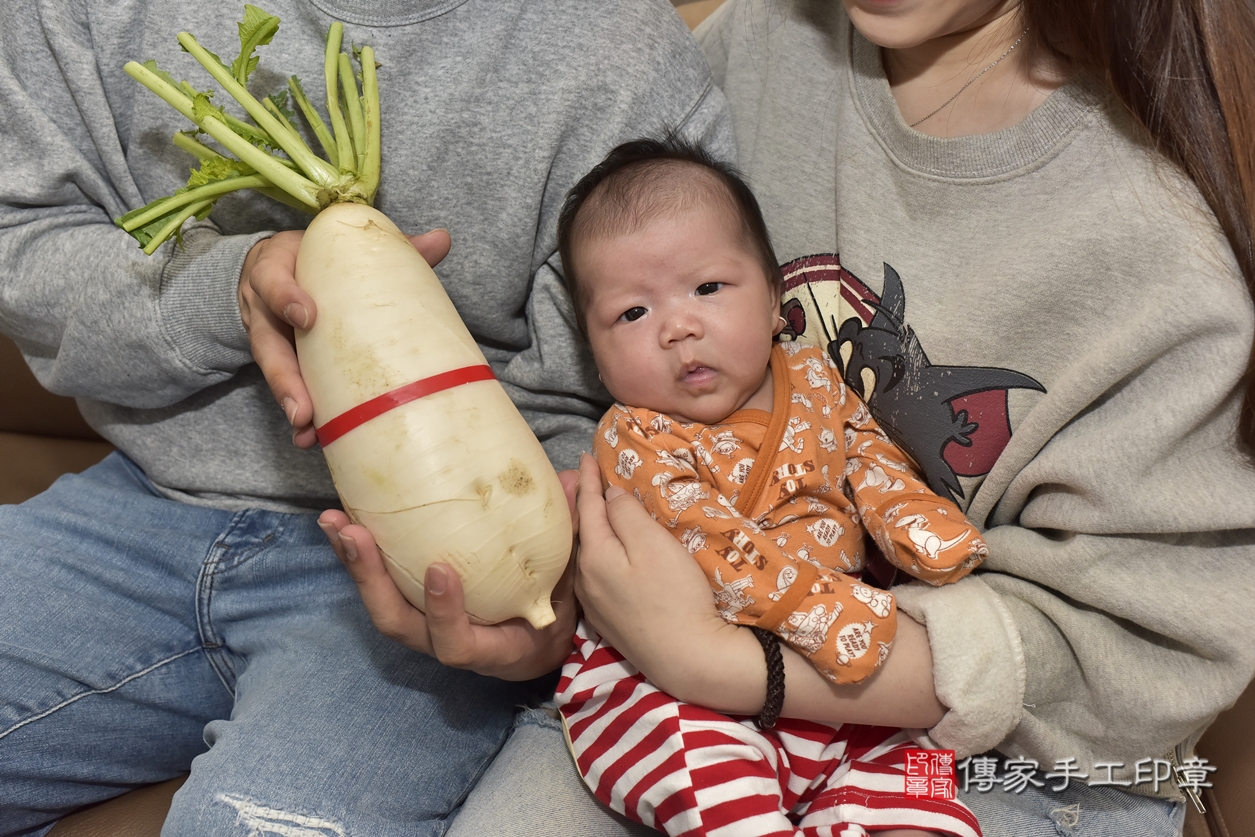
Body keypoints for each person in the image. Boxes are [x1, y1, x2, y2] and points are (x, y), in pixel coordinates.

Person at [327, 0, 1253, 835]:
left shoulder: (1169, 244)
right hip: (665, 667)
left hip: (1031, 750)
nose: (680, 327)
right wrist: (559, 591)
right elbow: (584, 369)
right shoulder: (758, 42)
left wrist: (724, 663)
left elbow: (1128, 661)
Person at [0, 1, 733, 834]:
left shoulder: (618, 46)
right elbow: (23, 247)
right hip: (133, 506)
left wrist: (556, 586)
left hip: (434, 574)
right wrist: (229, 285)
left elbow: (645, 394)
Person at [551, 136, 986, 837]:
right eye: (631, 313)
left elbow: (866, 452)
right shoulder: (633, 436)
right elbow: (709, 539)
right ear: (595, 358)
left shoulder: (813, 377)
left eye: (708, 288)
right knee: (711, 780)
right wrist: (818, 607)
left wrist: (908, 516)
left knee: (924, 782)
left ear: (774, 298)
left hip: (837, 686)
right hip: (666, 681)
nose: (678, 327)